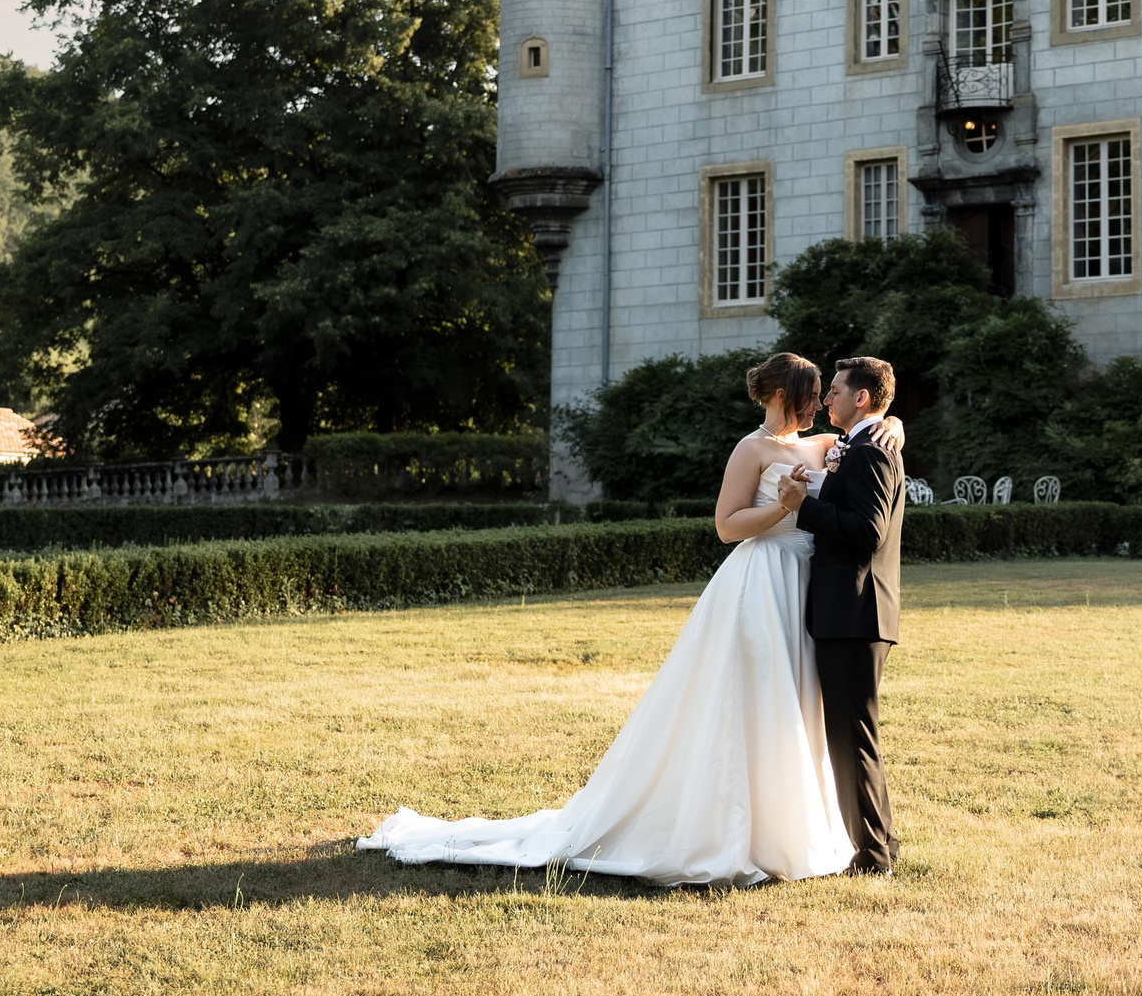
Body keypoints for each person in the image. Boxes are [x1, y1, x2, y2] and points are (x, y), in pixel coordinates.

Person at [356, 353, 906, 887]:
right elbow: (728, 526)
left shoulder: (828, 444)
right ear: (785, 396)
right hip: (762, 581)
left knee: (801, 708)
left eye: (826, 397)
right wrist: (783, 509)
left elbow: (871, 447)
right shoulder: (751, 448)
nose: (819, 407)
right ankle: (736, 830)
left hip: (810, 590)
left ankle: (804, 824)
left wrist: (895, 424)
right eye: (813, 397)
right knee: (751, 699)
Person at [780, 355, 906, 876]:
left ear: (862, 398)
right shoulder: (865, 444)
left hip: (855, 612)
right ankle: (881, 845)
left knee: (851, 739)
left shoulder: (870, 452)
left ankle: (873, 857)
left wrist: (801, 507)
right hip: (852, 613)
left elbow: (868, 531)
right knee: (855, 736)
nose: (826, 398)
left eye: (834, 390)